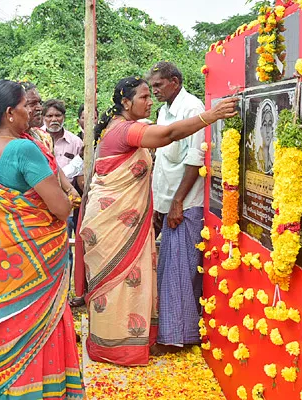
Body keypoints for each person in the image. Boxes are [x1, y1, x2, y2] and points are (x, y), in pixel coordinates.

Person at [76, 76, 238, 366]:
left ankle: (128, 344)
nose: (150, 101)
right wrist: (210, 117)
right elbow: (168, 136)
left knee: (127, 284)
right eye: (143, 97)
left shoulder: (123, 126)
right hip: (111, 222)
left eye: (151, 95)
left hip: (120, 220)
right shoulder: (124, 130)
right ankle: (114, 349)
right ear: (125, 103)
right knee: (116, 286)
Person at [0, 80, 84, 399]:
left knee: (13, 335)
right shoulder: (23, 148)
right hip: (36, 263)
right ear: (10, 112)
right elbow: (58, 209)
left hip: (4, 263)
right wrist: (70, 198)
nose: (33, 111)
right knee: (44, 329)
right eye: (26, 106)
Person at [148, 61, 207, 354]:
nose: (154, 91)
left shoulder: (192, 109)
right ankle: (175, 333)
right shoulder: (164, 111)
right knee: (169, 270)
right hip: (169, 201)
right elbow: (163, 158)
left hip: (185, 205)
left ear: (174, 81)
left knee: (180, 273)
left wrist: (177, 202)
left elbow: (194, 160)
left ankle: (178, 339)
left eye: (158, 85)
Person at [43, 99, 84, 169]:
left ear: (64, 117)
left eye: (58, 115)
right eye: (49, 116)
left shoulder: (76, 142)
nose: (54, 119)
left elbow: (80, 174)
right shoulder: (35, 138)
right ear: (43, 118)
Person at [257, 103, 275, 173]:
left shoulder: (272, 162)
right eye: (265, 125)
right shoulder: (257, 157)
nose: (268, 130)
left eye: (270, 125)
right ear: (261, 130)